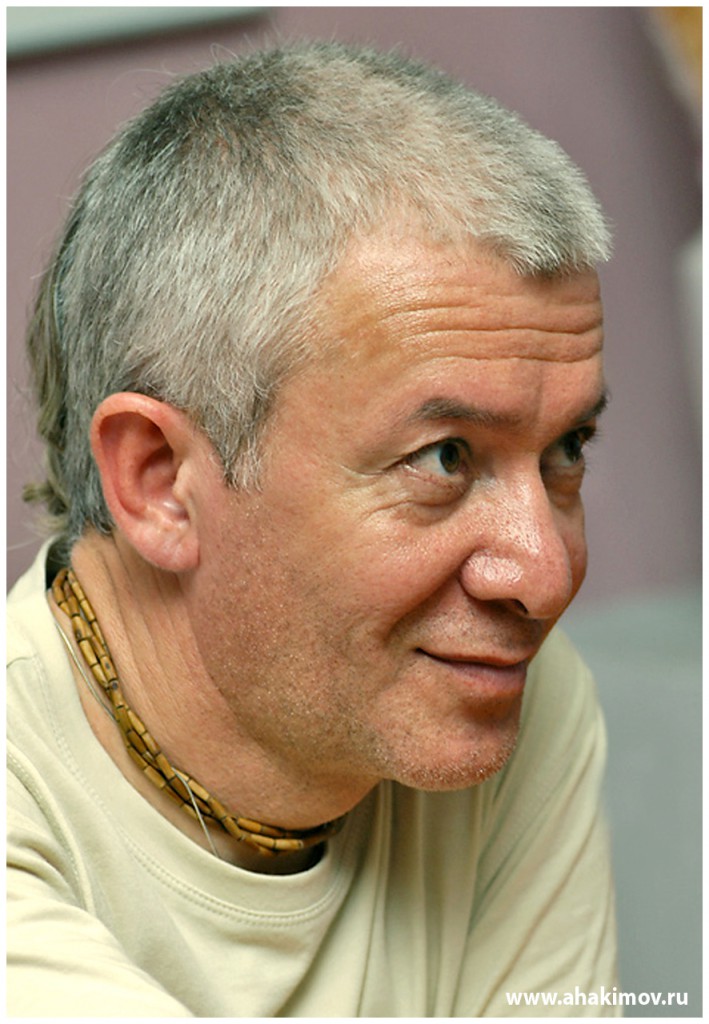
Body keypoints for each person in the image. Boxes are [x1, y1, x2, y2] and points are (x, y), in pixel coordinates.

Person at [7, 41, 618, 1017]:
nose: (543, 577)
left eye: (566, 448)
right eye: (444, 458)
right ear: (159, 482)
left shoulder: (509, 700)